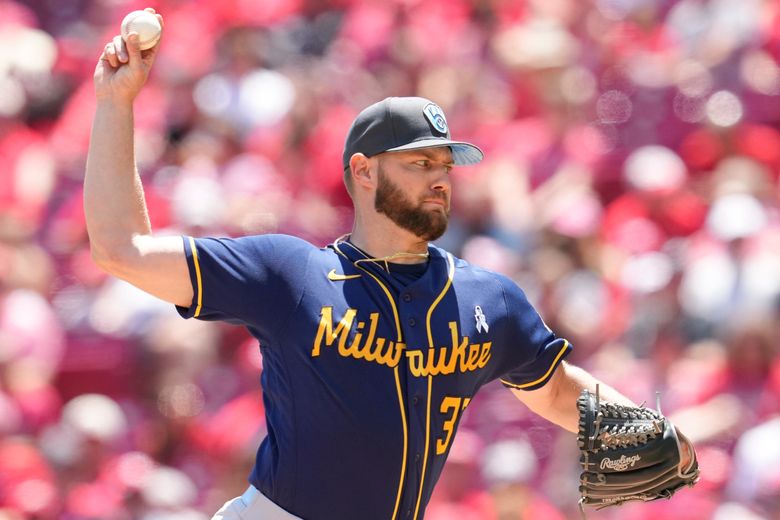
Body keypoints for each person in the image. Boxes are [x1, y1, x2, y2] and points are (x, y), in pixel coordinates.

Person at [85, 9, 692, 520]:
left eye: (444, 166)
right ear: (363, 171)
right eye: (418, 164)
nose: (439, 180)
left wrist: (643, 428)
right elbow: (122, 248)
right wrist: (117, 104)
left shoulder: (487, 299)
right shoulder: (289, 274)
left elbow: (555, 388)